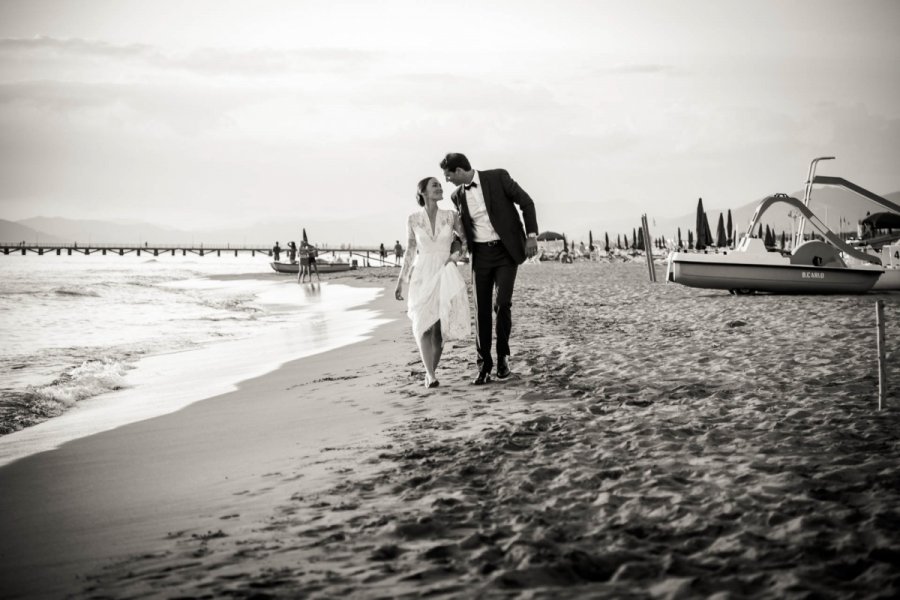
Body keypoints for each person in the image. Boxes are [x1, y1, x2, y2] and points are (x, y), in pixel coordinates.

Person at [441, 152, 538, 385]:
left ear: (459, 171)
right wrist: (453, 252)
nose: (447, 181)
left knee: (502, 303)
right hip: (481, 256)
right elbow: (462, 231)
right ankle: (484, 366)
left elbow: (527, 202)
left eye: (448, 175)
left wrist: (531, 236)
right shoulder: (457, 197)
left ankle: (503, 358)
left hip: (506, 252)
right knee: (482, 311)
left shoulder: (498, 177)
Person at [395, 177, 471, 388]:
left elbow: (464, 242)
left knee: (438, 330)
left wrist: (454, 258)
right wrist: (402, 280)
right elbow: (410, 251)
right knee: (422, 325)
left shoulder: (451, 216)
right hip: (422, 274)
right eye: (434, 185)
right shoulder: (412, 219)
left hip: (445, 271)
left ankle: (431, 372)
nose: (439, 187)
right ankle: (430, 374)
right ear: (423, 192)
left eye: (440, 184)